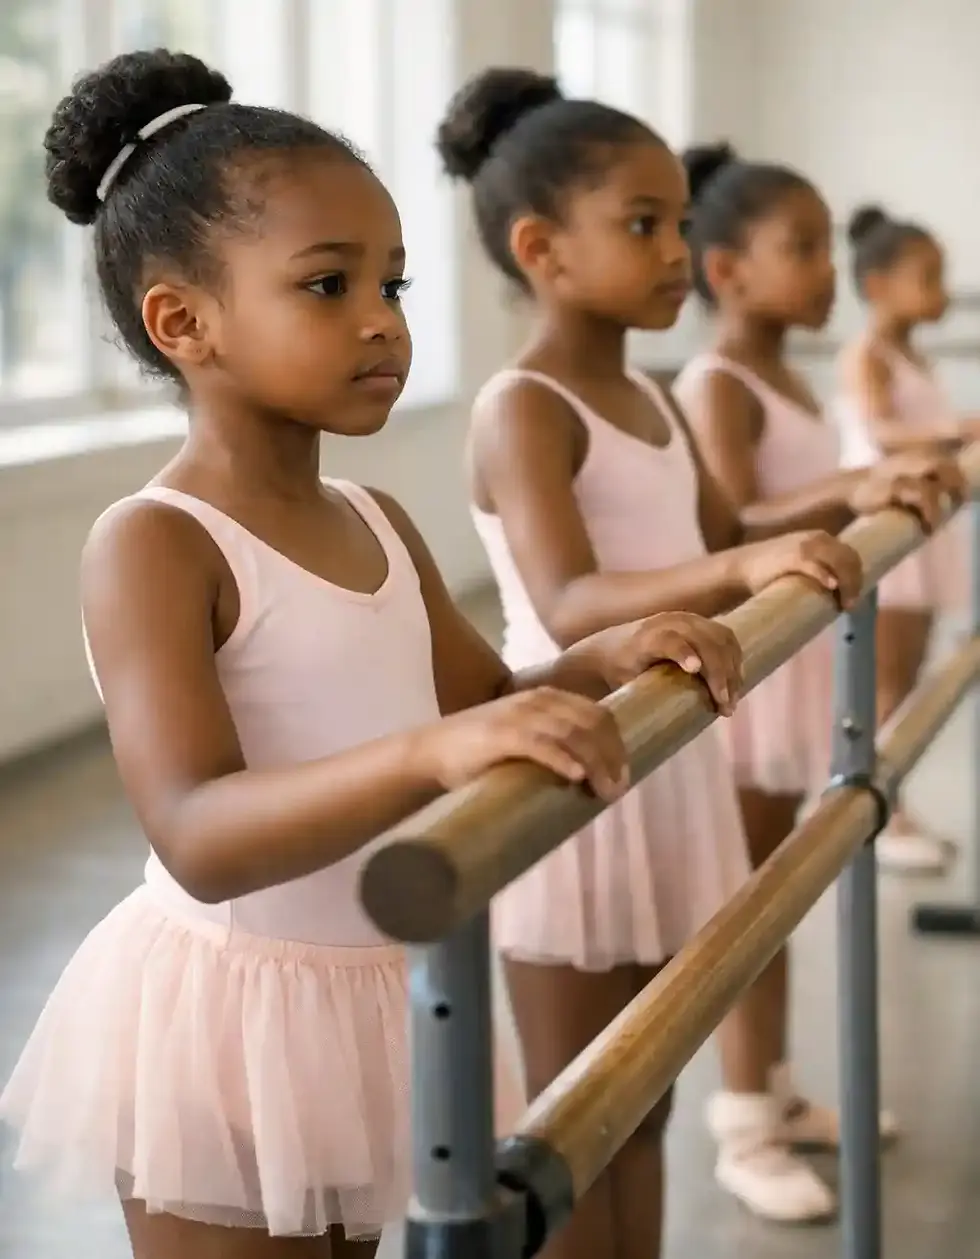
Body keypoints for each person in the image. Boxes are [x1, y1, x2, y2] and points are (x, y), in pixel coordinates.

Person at [0, 50, 749, 1259]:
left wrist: (601, 657)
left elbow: (487, 704)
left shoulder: (377, 520)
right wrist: (436, 747)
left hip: (372, 995)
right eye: (326, 284)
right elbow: (195, 828)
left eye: (391, 284)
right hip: (233, 1020)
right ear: (182, 321)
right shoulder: (154, 543)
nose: (381, 322)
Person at [436, 69, 950, 1255]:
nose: (678, 251)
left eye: (677, 222)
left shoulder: (652, 398)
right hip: (568, 772)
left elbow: (726, 535)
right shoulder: (525, 405)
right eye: (642, 225)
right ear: (541, 249)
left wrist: (856, 488)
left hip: (669, 762)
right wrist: (731, 575)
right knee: (571, 1123)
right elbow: (569, 600)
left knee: (649, 1091)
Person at [672, 142, 965, 1220]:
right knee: (747, 905)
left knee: (776, 895)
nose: (824, 273)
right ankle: (740, 1118)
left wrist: (860, 480)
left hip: (793, 665)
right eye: (800, 250)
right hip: (748, 672)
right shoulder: (718, 381)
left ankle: (778, 1091)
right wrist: (863, 479)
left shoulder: (781, 372)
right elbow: (729, 524)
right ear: (727, 271)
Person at [837, 203, 980, 869]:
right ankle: (878, 812)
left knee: (909, 673)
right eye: (927, 275)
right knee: (887, 680)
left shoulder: (906, 352)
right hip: (888, 528)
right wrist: (955, 432)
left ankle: (895, 800)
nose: (941, 291)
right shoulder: (866, 354)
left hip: (922, 529)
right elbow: (881, 430)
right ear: (879, 286)